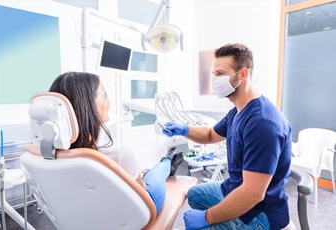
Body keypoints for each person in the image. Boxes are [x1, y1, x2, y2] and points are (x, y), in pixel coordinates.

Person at [163, 43, 292, 230]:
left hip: (258, 212)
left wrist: (207, 218)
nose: (215, 80)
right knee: (193, 195)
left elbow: (252, 194)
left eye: (221, 74)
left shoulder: (262, 124)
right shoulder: (237, 111)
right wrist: (184, 130)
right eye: (214, 74)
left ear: (243, 74)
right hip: (234, 187)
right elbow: (209, 134)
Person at [49, 71, 184, 214]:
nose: (109, 101)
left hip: (87, 214)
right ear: (88, 105)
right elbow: (142, 194)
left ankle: (157, 166)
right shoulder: (119, 155)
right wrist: (138, 177)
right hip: (137, 213)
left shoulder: (50, 155)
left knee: (146, 171)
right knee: (158, 172)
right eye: (105, 96)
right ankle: (167, 162)